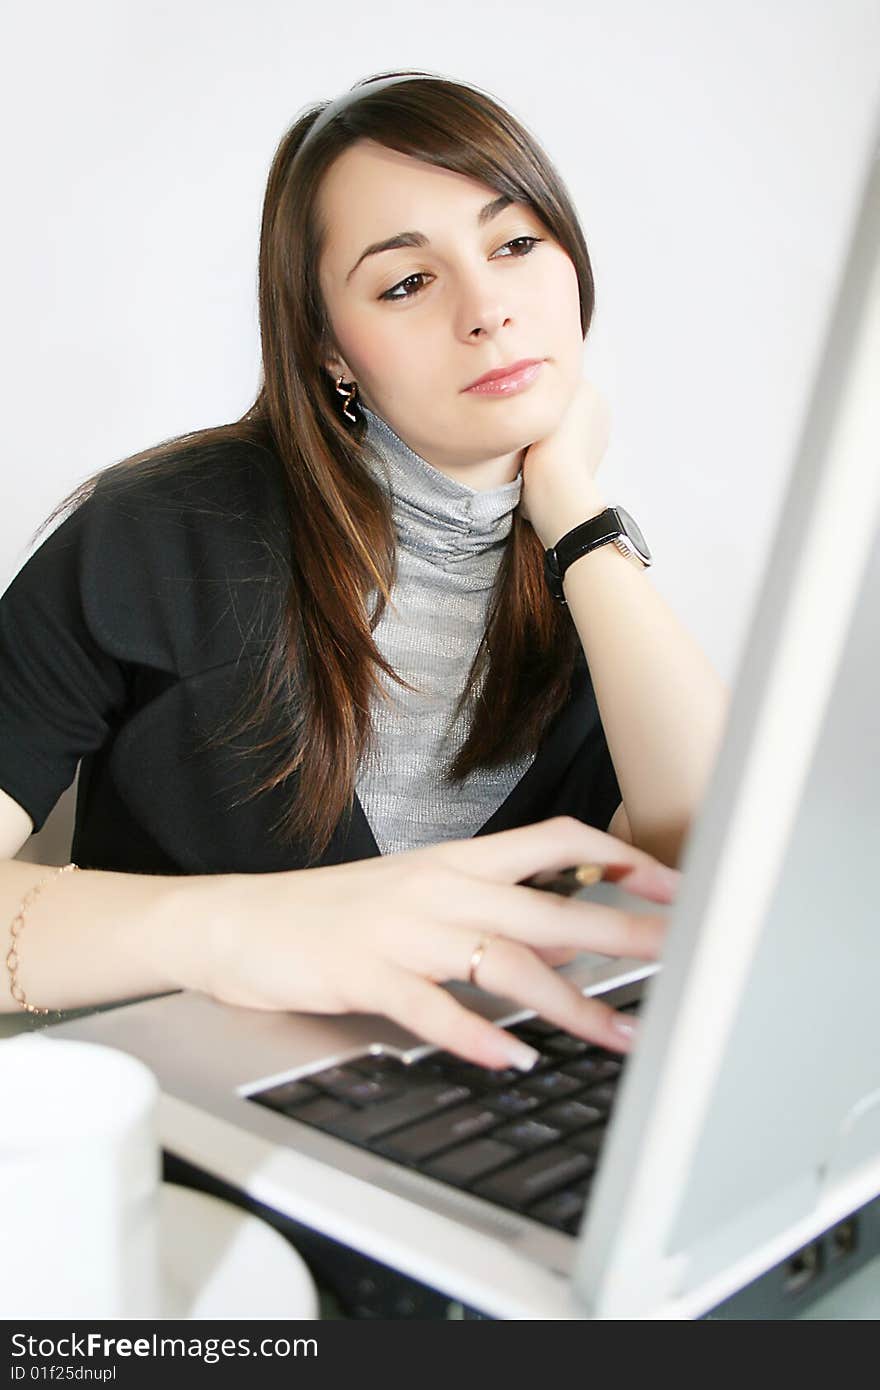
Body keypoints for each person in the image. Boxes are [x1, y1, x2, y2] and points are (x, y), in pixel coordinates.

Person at [0, 70, 728, 1070]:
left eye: (514, 243)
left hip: (459, 1141)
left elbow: (721, 882)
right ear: (330, 350)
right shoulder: (161, 533)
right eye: (405, 282)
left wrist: (571, 506)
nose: (487, 310)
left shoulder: (592, 591)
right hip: (178, 1146)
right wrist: (248, 930)